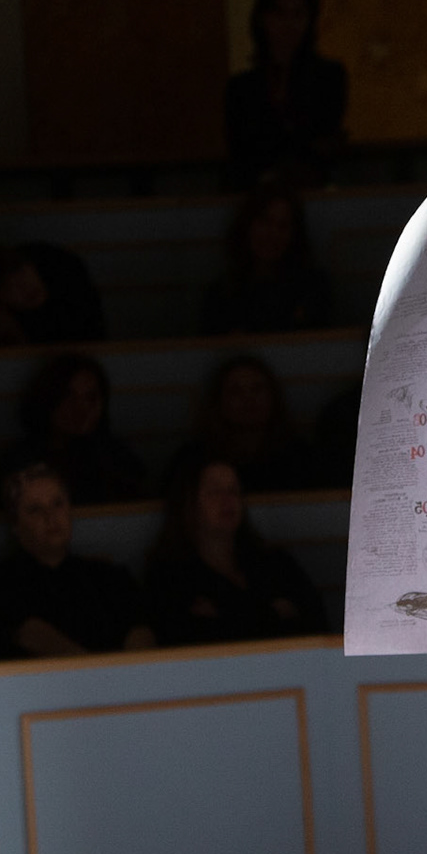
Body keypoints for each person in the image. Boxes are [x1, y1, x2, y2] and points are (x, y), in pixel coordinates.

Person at [0, 463, 154, 660]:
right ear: (15, 524)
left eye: (57, 504)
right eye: (35, 509)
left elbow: (141, 631)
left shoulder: (110, 577)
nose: (51, 517)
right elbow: (28, 634)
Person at [145, 454, 329, 645]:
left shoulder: (276, 564)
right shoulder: (169, 577)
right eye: (214, 491)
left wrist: (225, 613)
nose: (228, 499)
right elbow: (189, 639)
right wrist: (274, 612)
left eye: (233, 490)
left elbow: (315, 623)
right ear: (188, 503)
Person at [224, 0, 348, 189]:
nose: (288, 24)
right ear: (262, 19)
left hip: (314, 189)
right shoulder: (241, 88)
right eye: (279, 13)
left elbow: (323, 138)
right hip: (255, 191)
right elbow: (242, 148)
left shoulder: (328, 77)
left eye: (298, 14)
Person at [0, 354, 146, 505]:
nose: (81, 408)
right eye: (68, 397)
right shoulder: (21, 463)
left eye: (91, 398)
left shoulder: (118, 459)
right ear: (47, 400)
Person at [200, 182, 333, 335]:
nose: (272, 234)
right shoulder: (222, 294)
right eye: (265, 222)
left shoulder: (313, 289)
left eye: (283, 226)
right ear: (247, 226)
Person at [181, 355, 314, 493]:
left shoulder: (300, 457)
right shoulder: (194, 460)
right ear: (218, 402)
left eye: (257, 389)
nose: (248, 399)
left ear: (273, 397)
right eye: (235, 392)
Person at [0, 241, 106, 347]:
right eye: (7, 287)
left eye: (20, 271)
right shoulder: (0, 320)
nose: (24, 286)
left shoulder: (67, 278)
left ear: (30, 264)